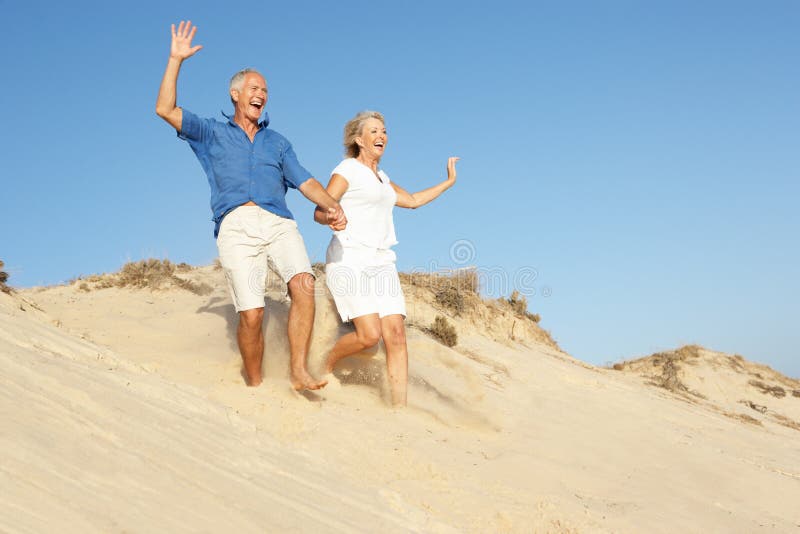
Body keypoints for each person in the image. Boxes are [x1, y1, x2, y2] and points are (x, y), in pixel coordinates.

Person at [156, 21, 346, 390]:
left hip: (278, 221)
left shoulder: (277, 142)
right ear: (235, 93)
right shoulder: (211, 132)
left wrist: (333, 206)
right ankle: (255, 386)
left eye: (265, 90)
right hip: (236, 225)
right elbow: (165, 108)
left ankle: (298, 371)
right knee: (253, 314)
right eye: (255, 88)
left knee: (304, 285)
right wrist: (175, 59)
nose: (262, 94)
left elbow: (305, 180)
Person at [314, 111, 459, 405]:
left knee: (395, 334)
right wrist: (330, 216)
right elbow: (321, 208)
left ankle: (399, 407)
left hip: (381, 262)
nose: (382, 136)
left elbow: (414, 201)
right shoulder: (347, 169)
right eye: (374, 131)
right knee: (369, 337)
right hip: (350, 259)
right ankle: (323, 365)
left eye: (384, 131)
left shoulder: (382, 179)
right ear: (359, 139)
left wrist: (448, 181)